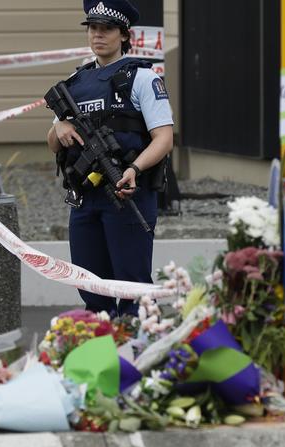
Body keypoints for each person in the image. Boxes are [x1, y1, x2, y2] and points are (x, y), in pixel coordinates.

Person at [46, 0, 174, 316]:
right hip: (85, 197)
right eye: (93, 28)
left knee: (134, 289)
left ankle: (140, 354)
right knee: (91, 286)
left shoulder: (142, 78)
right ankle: (100, 352)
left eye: (107, 29)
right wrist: (60, 126)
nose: (98, 35)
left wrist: (134, 168)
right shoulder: (75, 81)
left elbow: (164, 138)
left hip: (126, 192)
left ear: (123, 34)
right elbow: (53, 144)